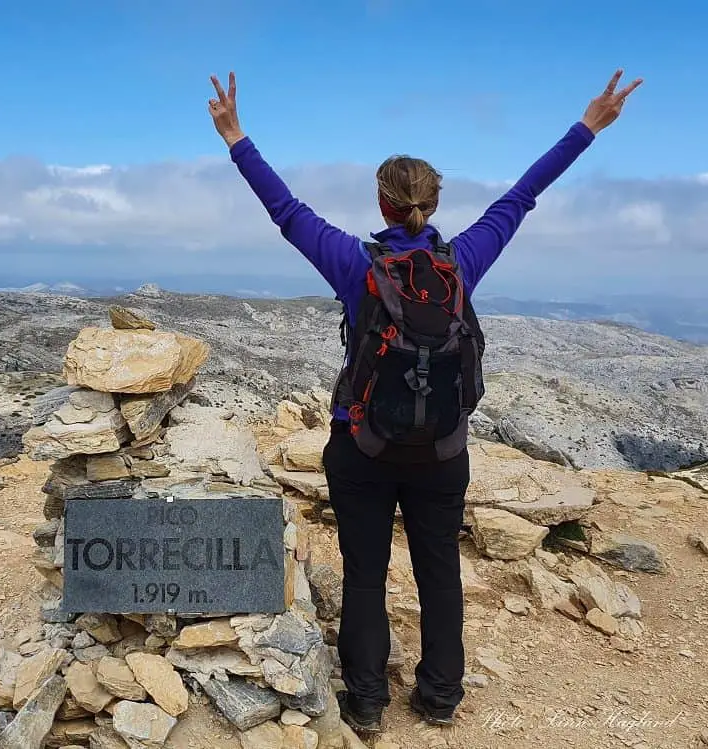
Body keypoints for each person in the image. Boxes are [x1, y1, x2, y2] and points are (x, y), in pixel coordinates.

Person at [207, 69, 641, 732]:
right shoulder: (461, 262)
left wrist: (236, 137)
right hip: (442, 452)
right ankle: (439, 696)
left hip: (362, 446)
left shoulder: (357, 265)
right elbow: (521, 197)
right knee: (439, 569)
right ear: (431, 206)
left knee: (365, 572)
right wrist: (587, 127)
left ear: (382, 205)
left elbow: (286, 211)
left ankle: (368, 702)